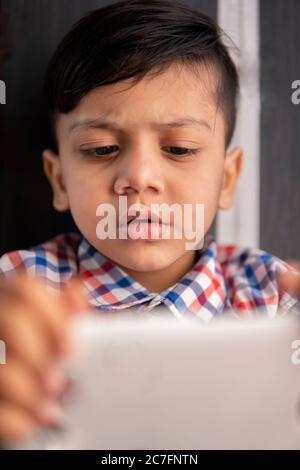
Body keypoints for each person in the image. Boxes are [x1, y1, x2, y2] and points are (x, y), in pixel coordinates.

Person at [0, 0, 299, 442]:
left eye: (178, 148)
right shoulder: (18, 291)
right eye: (101, 149)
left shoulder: (278, 303)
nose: (138, 178)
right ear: (59, 179)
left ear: (227, 179)